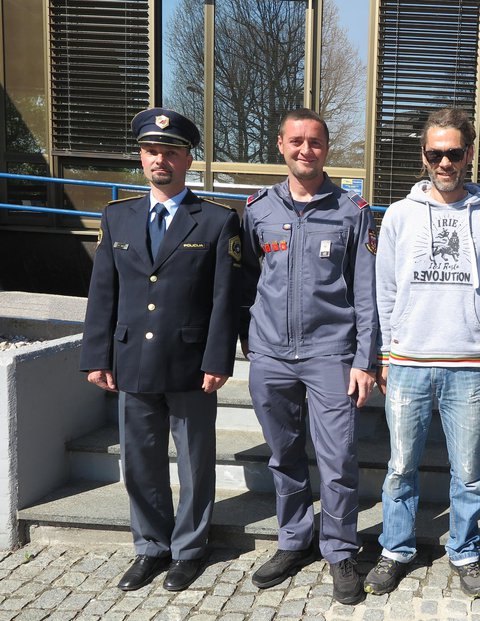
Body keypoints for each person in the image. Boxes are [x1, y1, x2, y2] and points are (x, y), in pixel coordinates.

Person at [80, 108, 241, 592]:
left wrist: (218, 360)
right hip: (132, 361)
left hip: (191, 365)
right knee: (140, 461)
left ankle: (189, 550)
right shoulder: (117, 216)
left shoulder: (216, 221)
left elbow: (224, 299)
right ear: (141, 156)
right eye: (152, 151)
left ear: (188, 159)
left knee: (195, 462)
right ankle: (151, 546)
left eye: (171, 152)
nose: (160, 160)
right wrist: (96, 356)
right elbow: (102, 291)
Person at [363, 108, 480, 599]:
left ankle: (465, 551)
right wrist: (385, 352)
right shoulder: (400, 215)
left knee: (468, 473)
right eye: (435, 153)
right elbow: (385, 289)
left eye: (453, 152)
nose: (444, 162)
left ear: (468, 154)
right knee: (401, 467)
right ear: (423, 155)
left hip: (468, 363)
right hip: (408, 361)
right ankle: (396, 549)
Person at [240, 108, 377, 605]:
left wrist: (365, 359)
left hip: (330, 354)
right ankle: (294, 540)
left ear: (326, 148)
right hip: (272, 355)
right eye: (296, 141)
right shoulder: (257, 210)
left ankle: (340, 550)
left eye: (315, 142)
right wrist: (251, 344)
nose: (305, 150)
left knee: (337, 458)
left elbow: (366, 293)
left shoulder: (352, 210)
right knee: (284, 455)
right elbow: (247, 282)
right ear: (280, 144)